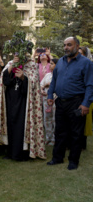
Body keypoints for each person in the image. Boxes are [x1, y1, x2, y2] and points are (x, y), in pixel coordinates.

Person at [47, 37, 93, 170]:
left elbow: (90, 85)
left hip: (77, 103)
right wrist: (50, 95)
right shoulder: (60, 62)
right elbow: (54, 81)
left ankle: (73, 160)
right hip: (60, 102)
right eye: (64, 45)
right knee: (60, 131)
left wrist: (85, 104)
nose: (66, 47)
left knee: (76, 133)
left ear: (77, 46)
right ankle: (57, 158)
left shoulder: (86, 63)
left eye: (69, 45)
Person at [0, 53, 46, 161]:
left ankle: (21, 154)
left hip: (24, 104)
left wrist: (22, 77)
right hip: (10, 101)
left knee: (20, 127)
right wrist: (12, 65)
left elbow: (33, 86)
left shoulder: (31, 66)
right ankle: (10, 152)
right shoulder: (10, 64)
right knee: (10, 126)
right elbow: (5, 80)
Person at [40, 59, 58, 146]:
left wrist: (49, 84)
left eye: (52, 64)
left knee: (55, 119)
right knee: (47, 119)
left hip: (55, 100)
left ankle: (55, 139)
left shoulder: (59, 75)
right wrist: (42, 89)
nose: (49, 65)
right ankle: (48, 138)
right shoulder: (47, 75)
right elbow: (41, 85)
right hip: (46, 99)